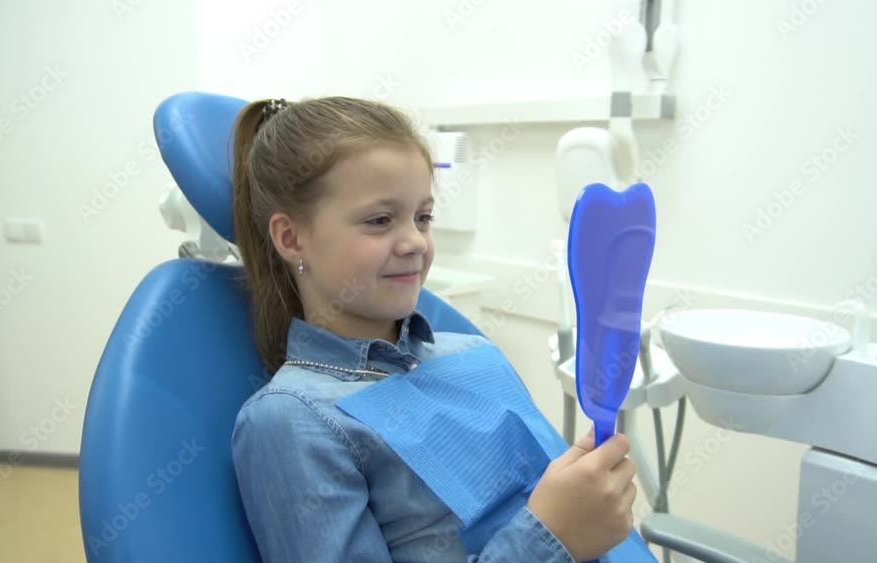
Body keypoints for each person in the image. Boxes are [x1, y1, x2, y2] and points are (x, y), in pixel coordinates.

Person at [230, 96, 638, 562]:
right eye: (380, 220)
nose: (414, 243)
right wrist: (551, 538)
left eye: (422, 217)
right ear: (290, 237)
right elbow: (555, 526)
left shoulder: (472, 354)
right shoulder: (294, 419)